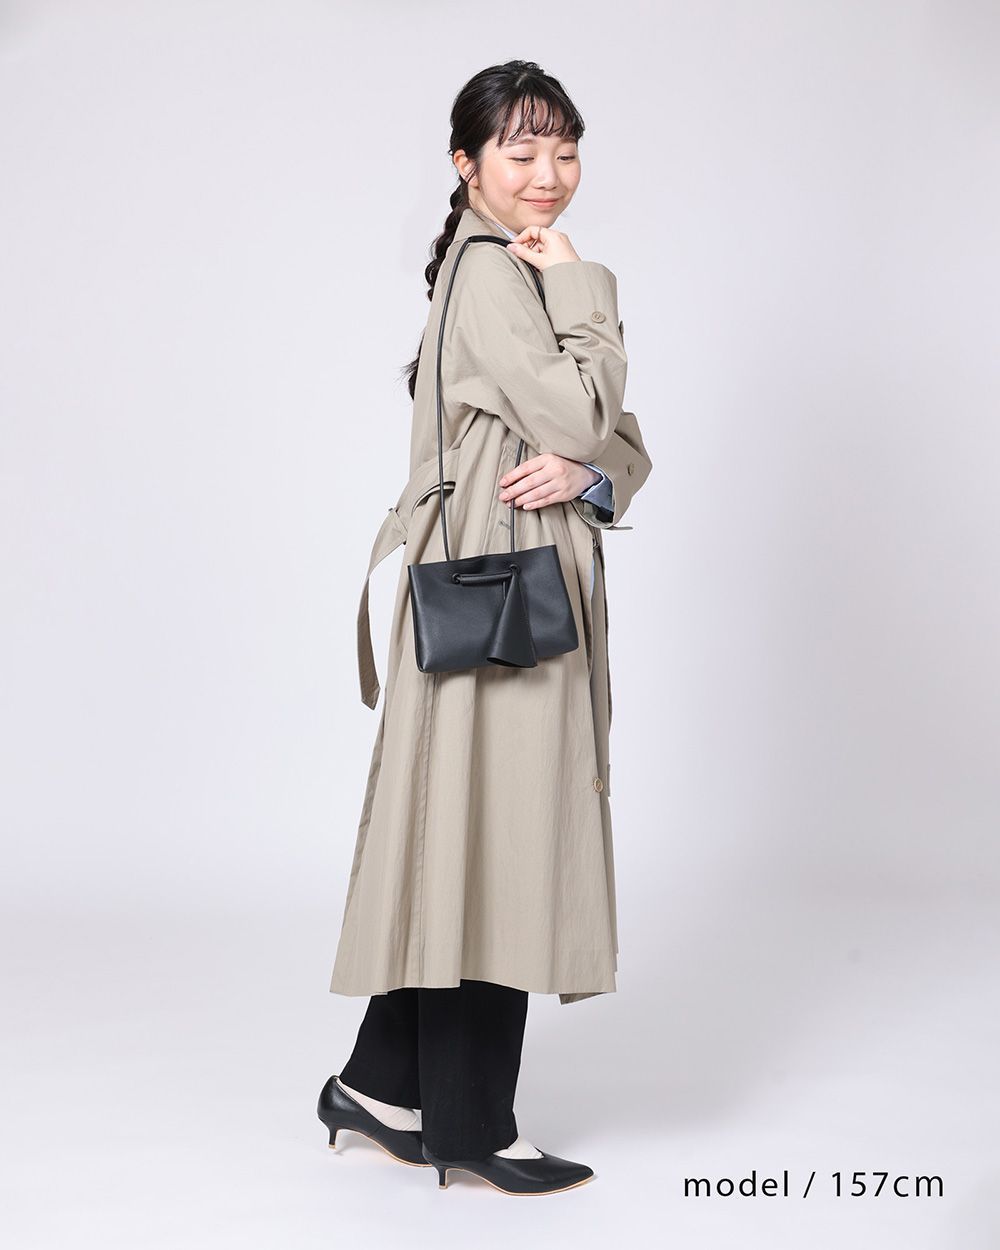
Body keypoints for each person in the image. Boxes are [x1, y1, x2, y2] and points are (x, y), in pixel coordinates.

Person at [317, 59, 652, 1197]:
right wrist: (585, 288)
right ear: (465, 164)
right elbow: (584, 407)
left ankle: (378, 1087)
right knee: (499, 839)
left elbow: (621, 443)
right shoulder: (509, 276)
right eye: (521, 151)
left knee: (470, 831)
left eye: (565, 150)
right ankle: (472, 1125)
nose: (548, 175)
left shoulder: (514, 269)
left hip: (507, 582)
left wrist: (584, 473)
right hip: (501, 595)